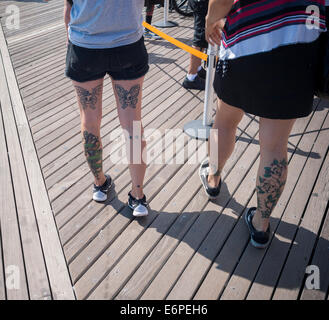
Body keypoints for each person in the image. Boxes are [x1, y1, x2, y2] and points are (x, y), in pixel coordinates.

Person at [200, 0, 326, 248]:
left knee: (224, 121)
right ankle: (261, 225)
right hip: (299, 48)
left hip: (247, 41)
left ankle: (213, 178)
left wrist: (209, 20)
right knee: (275, 146)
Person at [64, 0, 149, 217]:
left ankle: (100, 184)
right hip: (128, 41)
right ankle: (138, 197)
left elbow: (69, 6)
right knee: (133, 125)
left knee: (89, 121)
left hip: (85, 44)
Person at [182, 0, 209, 90]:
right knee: (200, 38)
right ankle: (191, 77)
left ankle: (197, 68)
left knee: (202, 36)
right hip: (201, 3)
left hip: (200, 3)